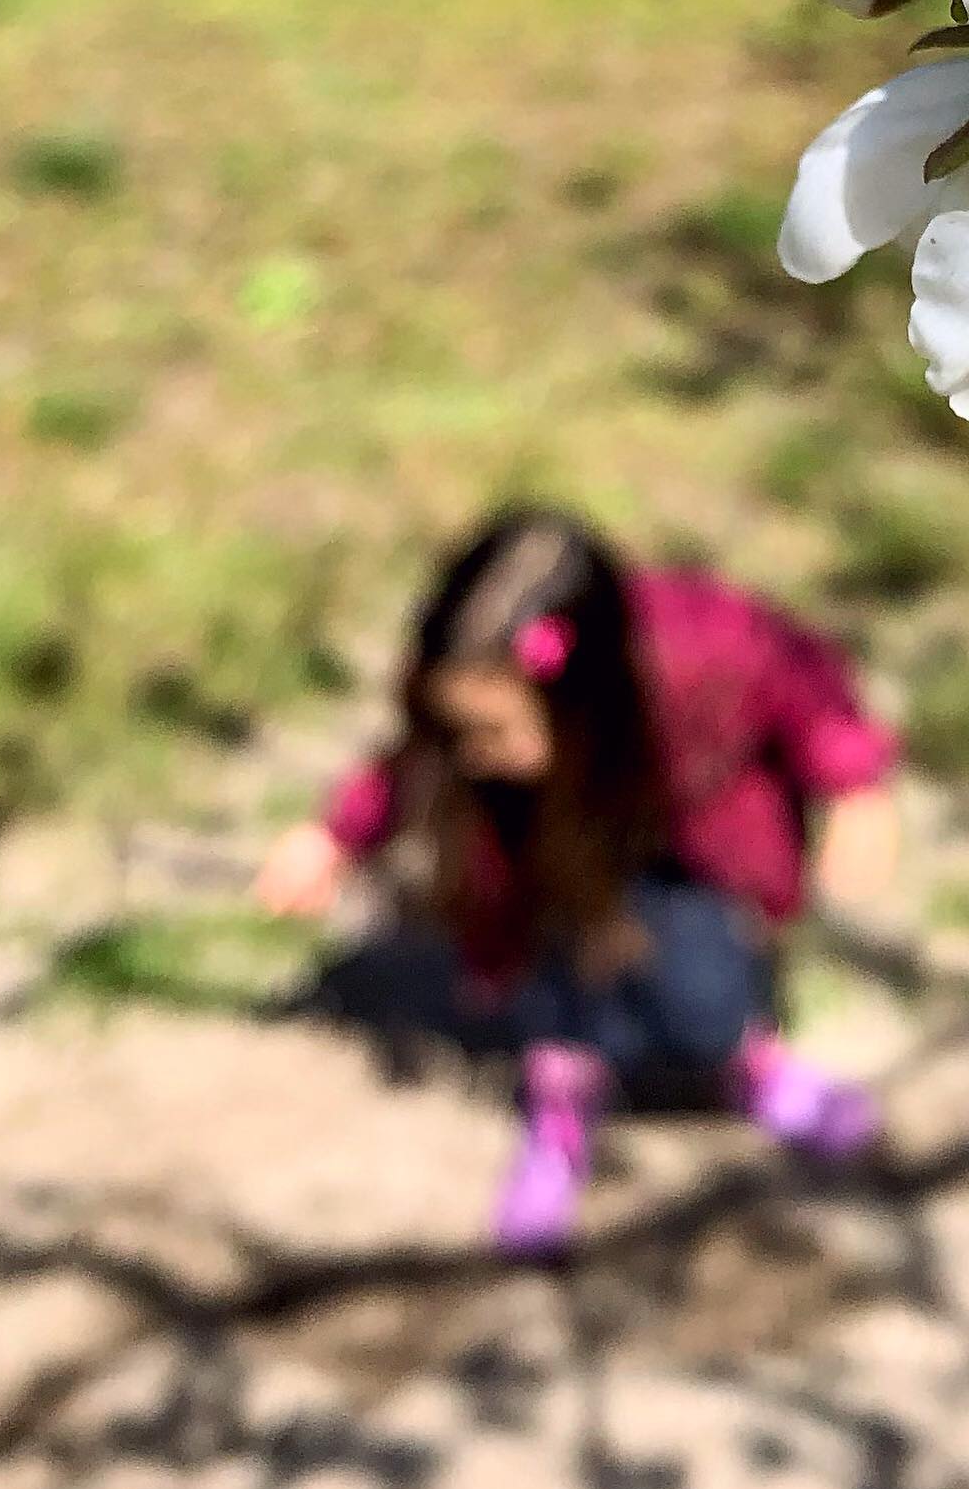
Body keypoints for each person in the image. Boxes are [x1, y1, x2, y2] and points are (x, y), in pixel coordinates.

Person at [256, 508, 902, 1255]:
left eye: (493, 731)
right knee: (559, 981)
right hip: (544, 847)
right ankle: (561, 1107)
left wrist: (857, 786)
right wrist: (334, 835)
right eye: (459, 729)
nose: (472, 753)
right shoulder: (477, 740)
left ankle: (746, 1069)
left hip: (685, 839)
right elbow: (412, 760)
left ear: (584, 690)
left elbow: (808, 688)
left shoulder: (707, 646)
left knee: (705, 990)